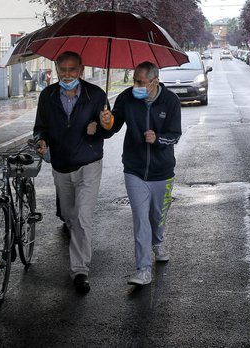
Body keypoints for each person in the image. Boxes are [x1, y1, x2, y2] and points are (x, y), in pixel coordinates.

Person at [33, 51, 112, 294]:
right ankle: (74, 233)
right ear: (56, 70)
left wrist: (101, 126)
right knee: (69, 215)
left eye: (72, 70)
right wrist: (41, 141)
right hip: (61, 165)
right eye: (62, 70)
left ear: (81, 69)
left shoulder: (96, 95)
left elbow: (108, 130)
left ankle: (80, 270)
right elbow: (40, 128)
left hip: (89, 163)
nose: (67, 75)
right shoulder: (47, 96)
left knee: (82, 217)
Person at [100, 61, 181, 286]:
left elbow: (175, 134)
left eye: (140, 82)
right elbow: (112, 127)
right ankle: (143, 269)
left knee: (157, 216)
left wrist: (158, 139)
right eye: (134, 80)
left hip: (162, 171)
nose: (135, 85)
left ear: (155, 82)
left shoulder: (171, 101)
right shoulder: (127, 98)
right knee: (140, 218)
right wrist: (106, 122)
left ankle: (158, 242)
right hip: (134, 169)